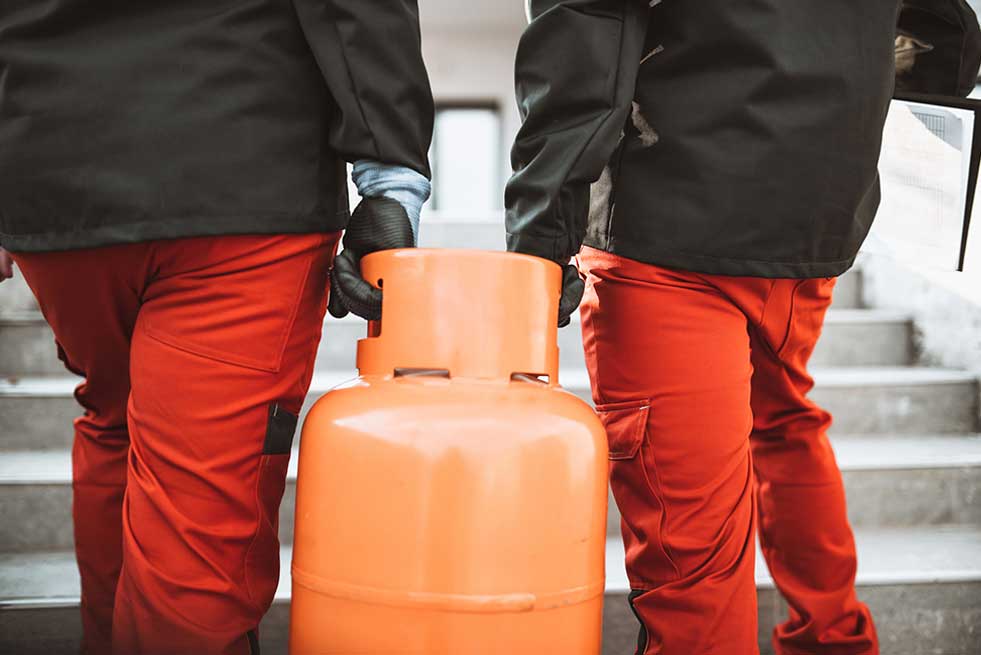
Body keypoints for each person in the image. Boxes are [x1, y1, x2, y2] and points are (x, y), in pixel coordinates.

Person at [0, 2, 433, 653]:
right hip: (240, 164)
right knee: (193, 499)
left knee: (117, 420)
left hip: (52, 163)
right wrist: (391, 177)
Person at [505, 1, 899, 653]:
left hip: (675, 207)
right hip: (816, 208)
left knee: (690, 529)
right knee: (780, 420)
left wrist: (542, 229)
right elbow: (945, 35)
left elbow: (587, 18)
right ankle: (832, 638)